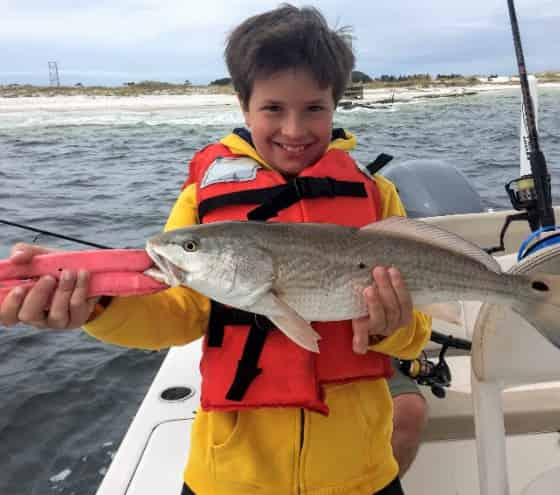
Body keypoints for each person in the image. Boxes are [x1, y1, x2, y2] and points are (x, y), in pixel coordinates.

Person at [0, 5, 430, 495]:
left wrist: (393, 329)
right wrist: (98, 307)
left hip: (360, 474)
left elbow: (416, 336)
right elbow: (177, 314)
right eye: (273, 108)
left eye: (314, 108)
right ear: (243, 106)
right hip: (230, 477)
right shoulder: (202, 202)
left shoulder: (377, 197)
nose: (293, 129)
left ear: (336, 105)